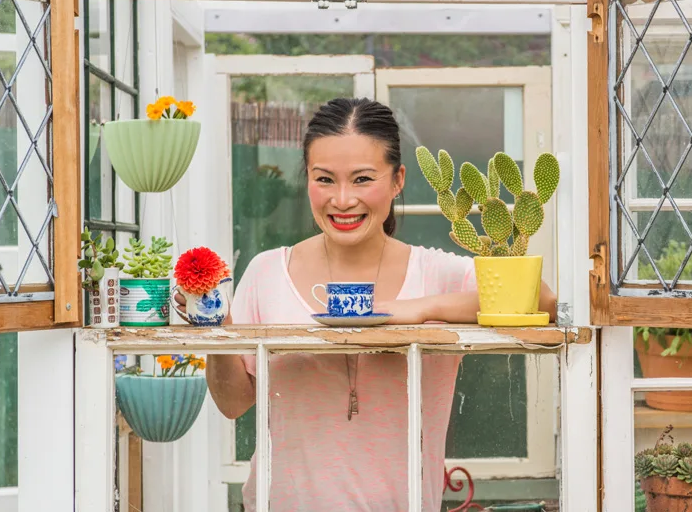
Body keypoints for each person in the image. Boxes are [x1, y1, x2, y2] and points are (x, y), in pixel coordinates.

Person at [178, 98, 557, 511]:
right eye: (324, 179)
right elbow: (233, 403)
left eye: (362, 179)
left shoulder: (433, 271)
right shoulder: (268, 272)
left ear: (398, 181)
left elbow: (542, 300)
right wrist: (216, 326)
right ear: (306, 179)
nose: (342, 200)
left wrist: (418, 308)